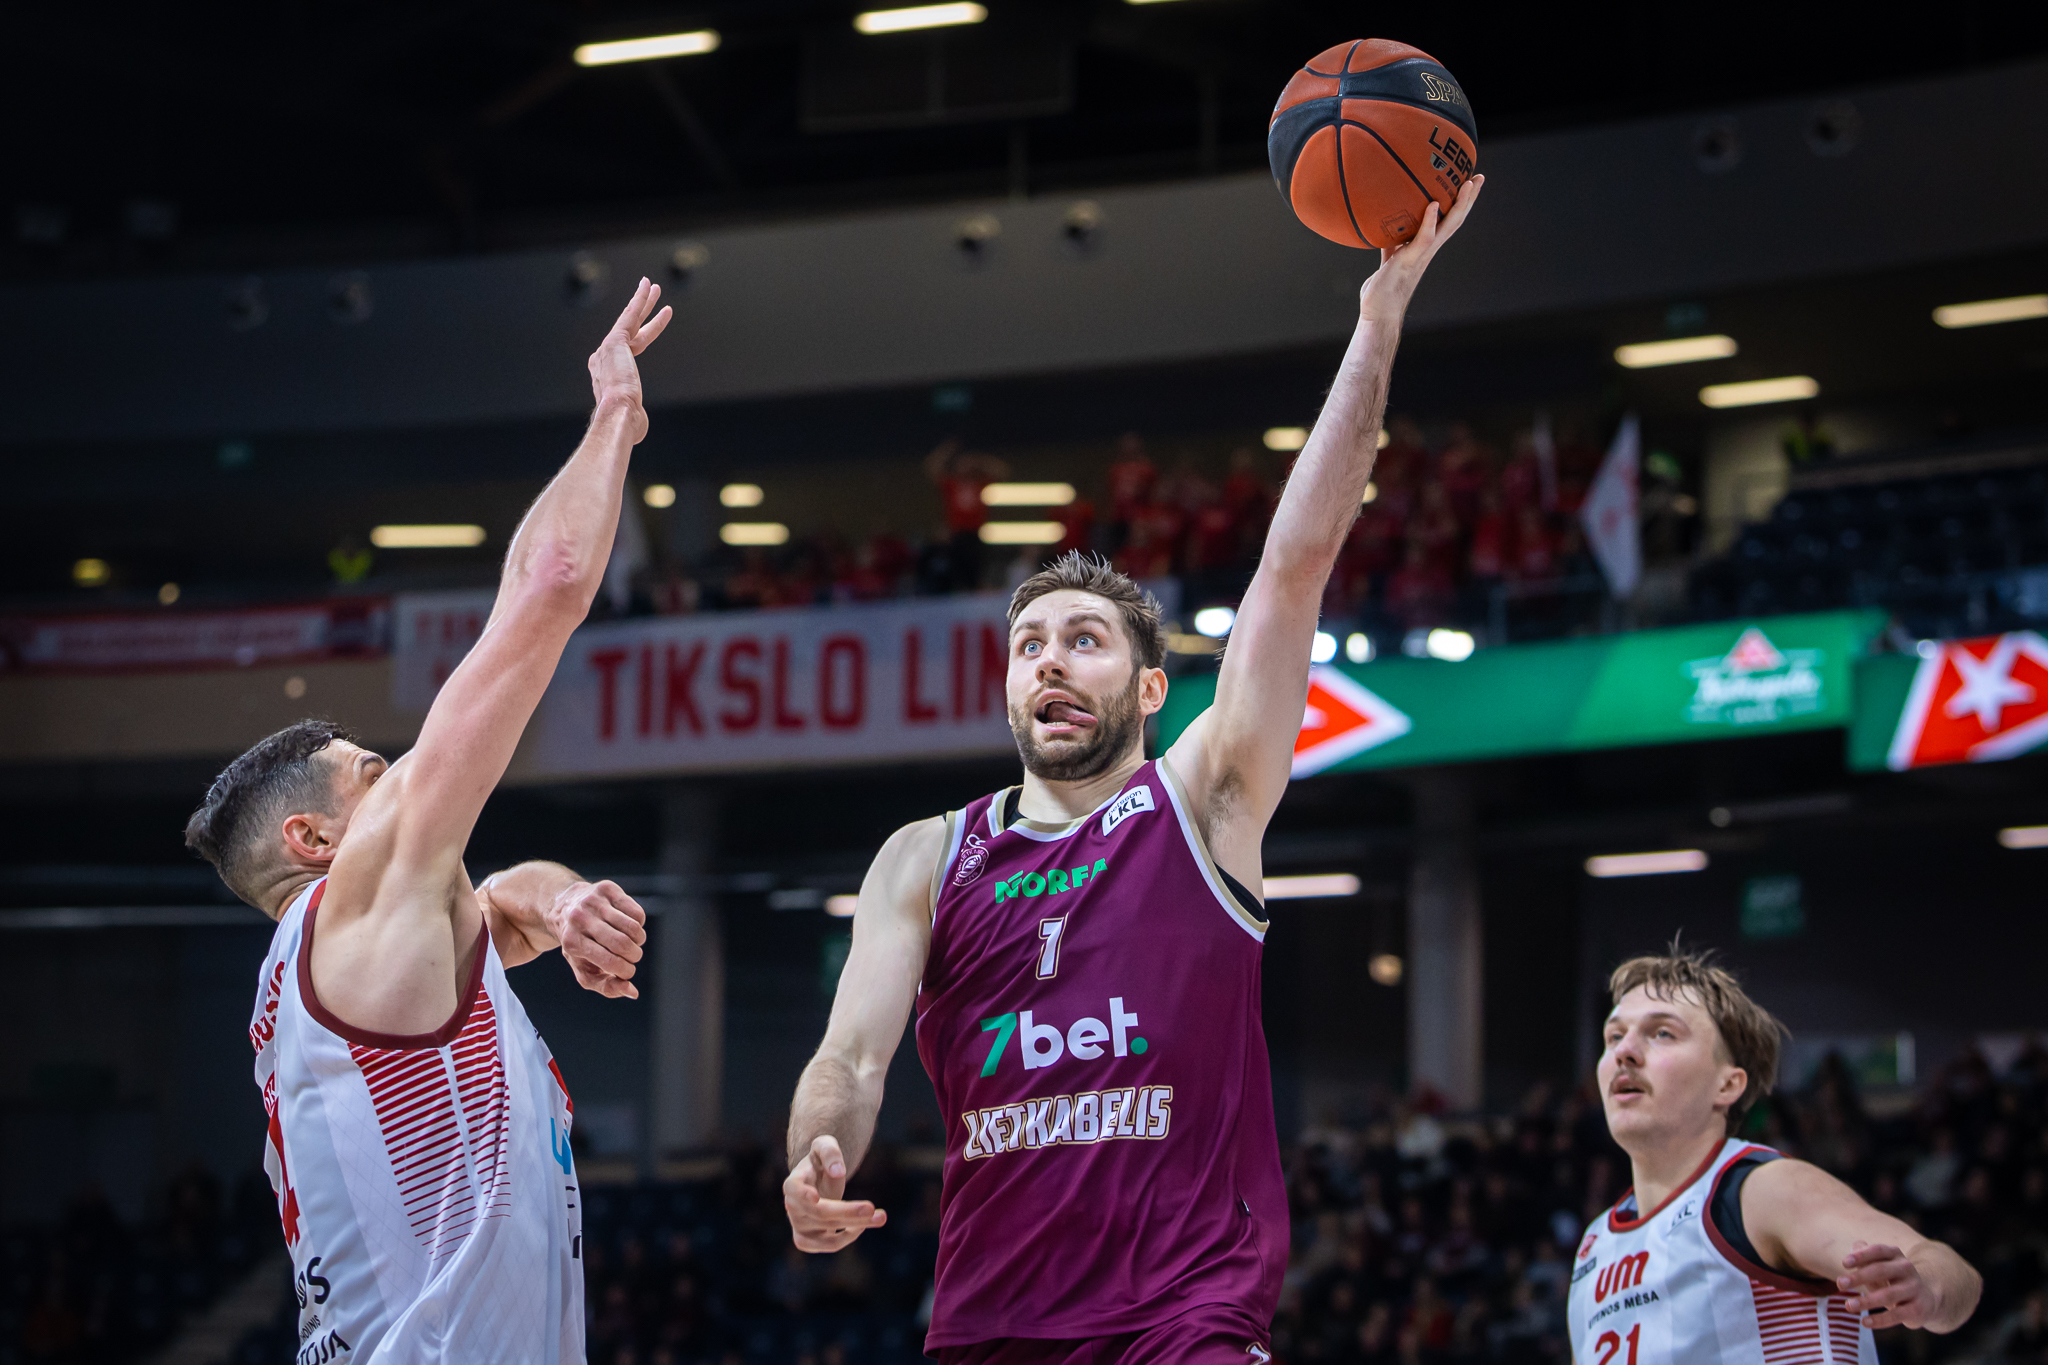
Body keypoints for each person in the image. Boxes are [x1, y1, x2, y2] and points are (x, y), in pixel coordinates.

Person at [780, 175, 1484, 1363]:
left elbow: (1295, 565)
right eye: (1028, 646)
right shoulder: (925, 857)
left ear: (1151, 690)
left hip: (1182, 1318)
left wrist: (1376, 320)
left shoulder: (1203, 799)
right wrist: (819, 1150)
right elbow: (849, 1057)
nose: (1049, 660)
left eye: (1083, 640)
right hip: (992, 1327)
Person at [181, 279, 674, 1363]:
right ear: (316, 842)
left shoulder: (336, 973)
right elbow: (547, 587)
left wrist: (563, 901)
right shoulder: (361, 902)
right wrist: (610, 421)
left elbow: (499, 907)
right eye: (373, 774)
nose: (404, 778)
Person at [1569, 947, 1981, 1364]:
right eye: (1614, 1036)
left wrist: (1927, 1290)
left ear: (1727, 1085)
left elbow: (1948, 1268)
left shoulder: (1761, 1191)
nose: (1624, 1051)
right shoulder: (1594, 1247)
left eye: (1662, 1033)